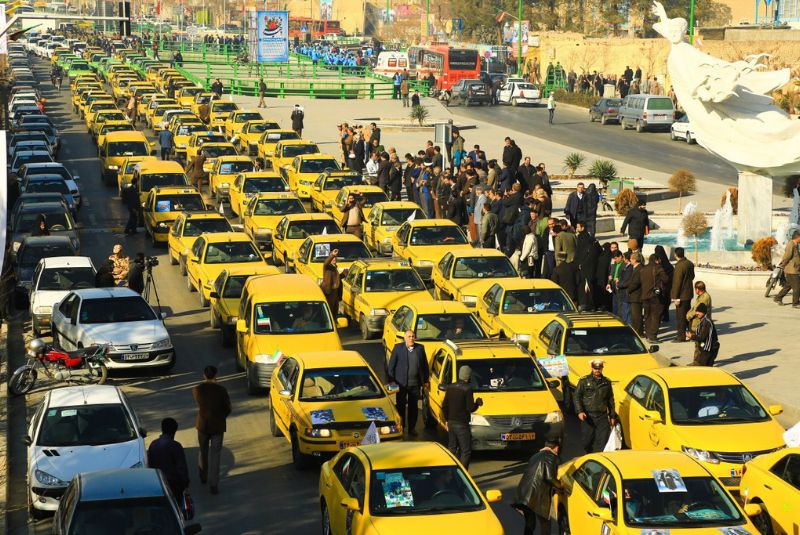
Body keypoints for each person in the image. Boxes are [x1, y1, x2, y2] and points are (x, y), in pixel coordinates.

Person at [193, 365, 232, 495]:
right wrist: (221, 416)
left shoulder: (197, 389)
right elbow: (228, 407)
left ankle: (203, 475)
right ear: (216, 375)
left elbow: (200, 403)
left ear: (204, 376)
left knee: (203, 451)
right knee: (215, 455)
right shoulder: (221, 390)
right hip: (218, 426)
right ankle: (214, 484)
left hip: (202, 425)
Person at [512, 439, 561, 535]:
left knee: (530, 522)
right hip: (537, 497)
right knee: (545, 523)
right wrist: (560, 486)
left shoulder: (535, 455)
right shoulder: (551, 456)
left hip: (523, 495)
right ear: (556, 448)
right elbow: (550, 477)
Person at [387, 331, 429, 435]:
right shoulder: (398, 348)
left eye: (413, 336)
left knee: (413, 407)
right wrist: (391, 381)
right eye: (409, 336)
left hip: (415, 384)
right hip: (401, 384)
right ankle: (402, 426)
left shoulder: (420, 348)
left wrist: (426, 380)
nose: (411, 338)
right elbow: (391, 366)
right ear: (404, 338)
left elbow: (424, 366)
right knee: (401, 406)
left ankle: (411, 428)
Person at [441, 365, 483, 469]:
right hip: (462, 424)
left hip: (451, 422)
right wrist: (477, 403)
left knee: (452, 448)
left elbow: (444, 406)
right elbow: (470, 408)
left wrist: (447, 420)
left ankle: (450, 471)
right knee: (466, 451)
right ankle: (463, 474)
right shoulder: (467, 389)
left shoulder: (450, 387)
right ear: (468, 376)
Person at [574, 359, 616, 454]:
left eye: (599, 368)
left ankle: (599, 460)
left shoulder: (606, 382)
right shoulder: (584, 381)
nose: (597, 370)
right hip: (588, 416)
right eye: (595, 368)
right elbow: (577, 396)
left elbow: (610, 400)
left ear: (602, 369)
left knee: (603, 441)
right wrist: (580, 411)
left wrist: (612, 416)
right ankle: (589, 455)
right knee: (587, 441)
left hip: (602, 416)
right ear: (592, 368)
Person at [147, 417, 190, 499]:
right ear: (174, 431)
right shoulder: (176, 446)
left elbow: (150, 465)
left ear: (162, 429)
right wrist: (185, 484)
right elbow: (182, 469)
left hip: (157, 485)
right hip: (174, 487)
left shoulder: (153, 445)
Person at [641, 254, 668, 343]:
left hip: (645, 296)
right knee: (656, 316)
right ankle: (653, 336)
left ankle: (648, 334)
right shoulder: (659, 268)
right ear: (657, 260)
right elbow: (666, 280)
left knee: (647, 315)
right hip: (655, 296)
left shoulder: (643, 269)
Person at [671, 247, 695, 342]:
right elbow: (692, 276)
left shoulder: (679, 266)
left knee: (680, 317)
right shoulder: (689, 263)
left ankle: (681, 336)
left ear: (676, 255)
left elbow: (677, 282)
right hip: (688, 294)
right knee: (687, 315)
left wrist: (675, 297)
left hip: (681, 295)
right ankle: (689, 334)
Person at [774, 230, 800, 308]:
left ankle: (778, 298)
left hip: (794, 269)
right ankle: (795, 303)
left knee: (788, 285)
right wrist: (783, 264)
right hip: (792, 270)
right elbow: (787, 256)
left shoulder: (795, 244)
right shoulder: (791, 244)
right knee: (797, 287)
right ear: (798, 237)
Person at [620, 252, 644, 335]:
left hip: (637, 295)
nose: (630, 260)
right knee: (635, 315)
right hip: (634, 295)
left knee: (636, 316)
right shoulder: (636, 267)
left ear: (635, 259)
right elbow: (631, 280)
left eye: (631, 258)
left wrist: (628, 290)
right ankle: (638, 331)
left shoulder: (639, 268)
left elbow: (636, 282)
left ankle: (638, 332)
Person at [320, 249, 341, 315]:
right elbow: (325, 263)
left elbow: (335, 279)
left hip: (334, 292)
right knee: (329, 311)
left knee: (335, 311)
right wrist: (332, 255)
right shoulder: (327, 267)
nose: (334, 259)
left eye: (335, 258)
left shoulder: (334, 267)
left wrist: (343, 274)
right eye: (333, 258)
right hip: (328, 292)